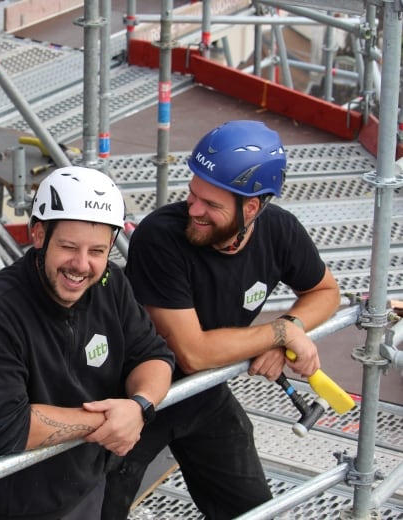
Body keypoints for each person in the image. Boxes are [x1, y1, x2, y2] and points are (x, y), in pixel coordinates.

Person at [102, 120, 341, 519]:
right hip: (135, 394)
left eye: (211, 205)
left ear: (252, 207)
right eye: (193, 195)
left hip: (202, 392)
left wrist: (290, 333)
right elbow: (193, 352)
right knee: (98, 507)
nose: (194, 210)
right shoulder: (160, 238)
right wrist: (278, 332)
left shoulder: (278, 230)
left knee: (251, 511)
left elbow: (324, 292)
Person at [0, 166, 175, 520]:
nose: (82, 265)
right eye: (69, 247)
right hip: (0, 509)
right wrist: (112, 421)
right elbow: (9, 428)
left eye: (98, 251)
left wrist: (139, 405)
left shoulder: (110, 284)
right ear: (38, 234)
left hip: (83, 494)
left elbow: (154, 356)